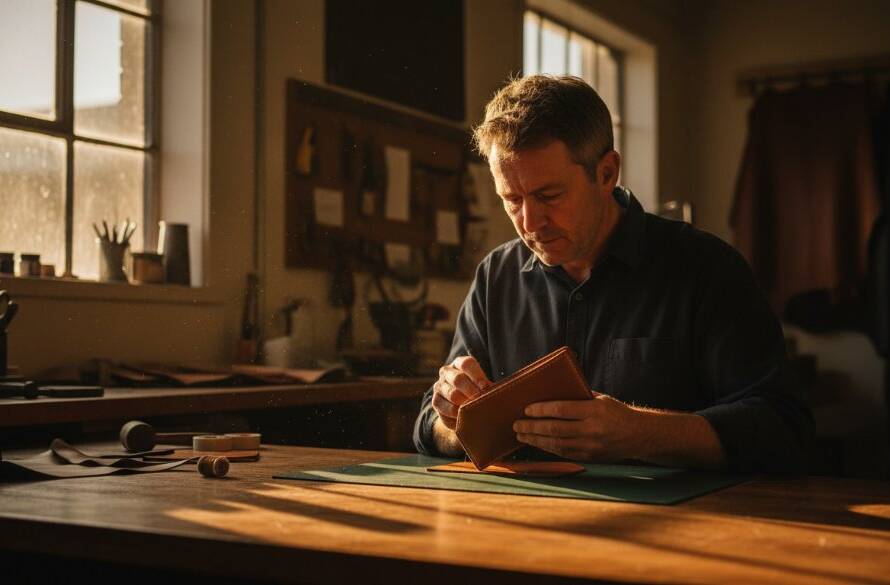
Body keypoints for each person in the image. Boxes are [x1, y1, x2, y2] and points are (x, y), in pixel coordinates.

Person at [413, 75, 813, 472]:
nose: (530, 222)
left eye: (548, 196)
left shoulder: (707, 268)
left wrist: (642, 433)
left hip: (684, 526)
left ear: (607, 173)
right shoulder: (495, 277)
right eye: (511, 199)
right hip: (525, 523)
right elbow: (428, 427)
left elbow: (784, 428)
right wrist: (454, 420)